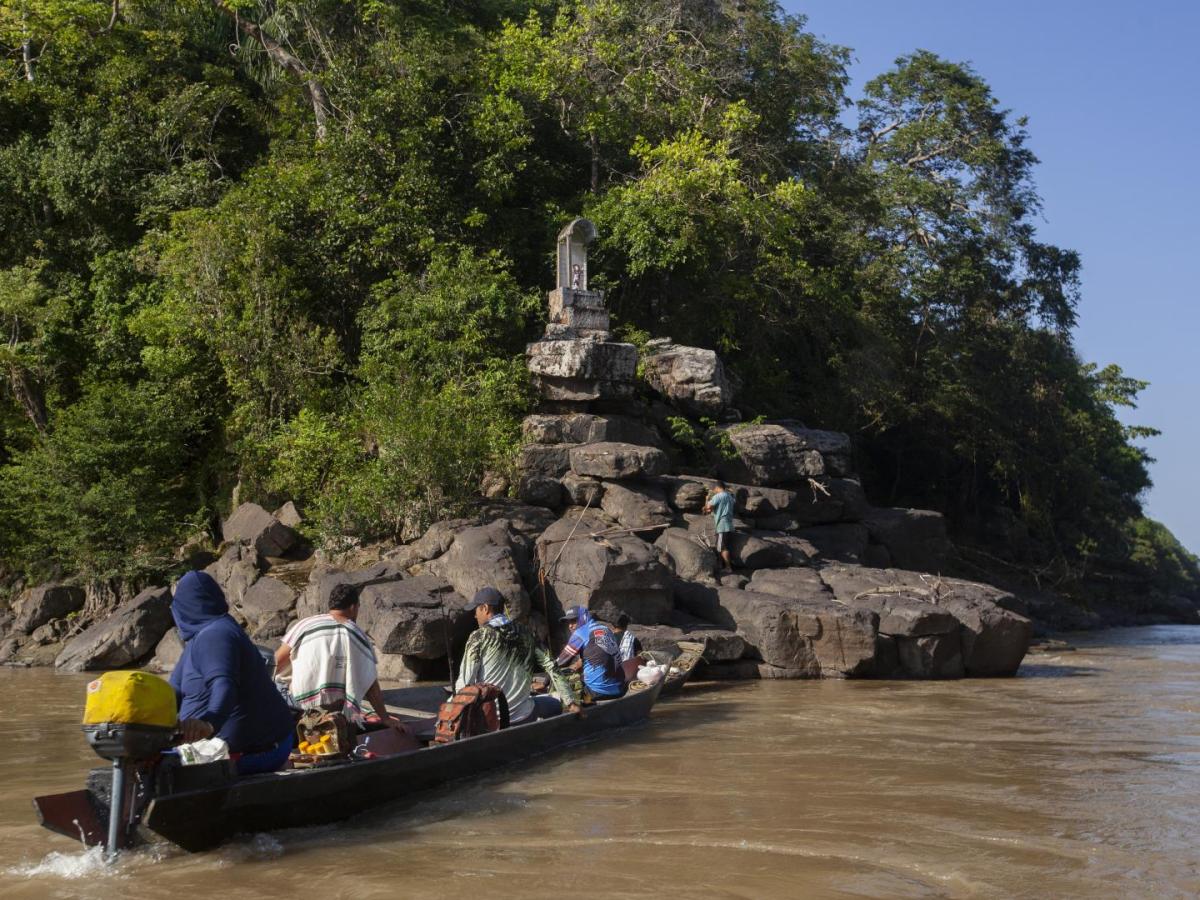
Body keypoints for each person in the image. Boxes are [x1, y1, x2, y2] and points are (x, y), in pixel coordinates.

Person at [170, 570, 295, 775]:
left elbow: (224, 686)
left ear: (183, 607)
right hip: (214, 748)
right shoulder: (197, 639)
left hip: (255, 753)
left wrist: (209, 724)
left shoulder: (216, 635)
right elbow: (172, 691)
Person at [274, 582, 407, 733]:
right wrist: (385, 718)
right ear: (352, 607)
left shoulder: (305, 624)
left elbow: (277, 662)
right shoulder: (358, 636)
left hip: (300, 703)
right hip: (333, 706)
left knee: (276, 683)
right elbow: (370, 683)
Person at [456, 587, 579, 724]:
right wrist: (571, 702)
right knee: (555, 703)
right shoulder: (526, 633)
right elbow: (551, 666)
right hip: (525, 715)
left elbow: (465, 683)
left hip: (491, 719)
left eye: (476, 610)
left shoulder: (479, 636)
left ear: (485, 608)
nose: (475, 615)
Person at [555, 606, 625, 699]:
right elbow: (598, 655)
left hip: (596, 692)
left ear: (583, 618)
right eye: (569, 622)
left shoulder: (580, 633)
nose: (570, 626)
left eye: (573, 621)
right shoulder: (606, 629)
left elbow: (558, 664)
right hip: (620, 688)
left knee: (563, 690)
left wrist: (544, 683)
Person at [703, 480, 736, 573]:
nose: (714, 491)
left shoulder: (718, 496)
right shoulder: (730, 496)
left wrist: (706, 500)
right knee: (721, 546)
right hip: (729, 524)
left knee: (721, 547)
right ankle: (721, 566)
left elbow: (708, 508)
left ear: (717, 488)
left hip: (722, 525)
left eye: (714, 489)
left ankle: (728, 568)